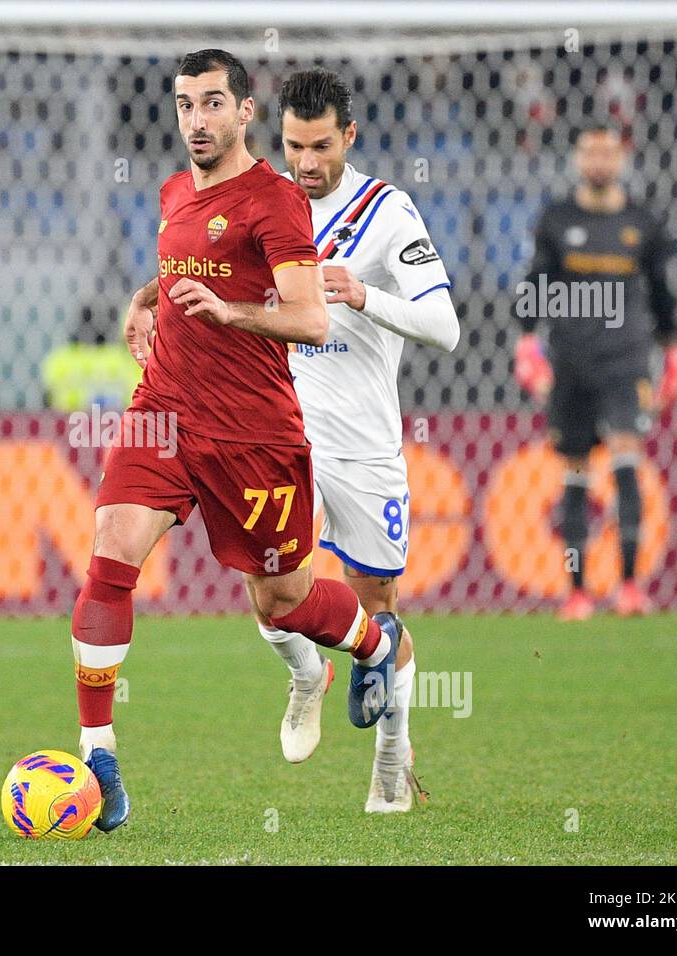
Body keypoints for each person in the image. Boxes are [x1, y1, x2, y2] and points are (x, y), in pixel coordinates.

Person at [75, 50, 401, 833]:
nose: (196, 120)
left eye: (213, 103)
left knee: (282, 600)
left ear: (245, 111)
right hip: (165, 410)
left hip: (253, 431)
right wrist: (146, 296)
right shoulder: (174, 190)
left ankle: (373, 645)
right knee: (110, 550)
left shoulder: (278, 202)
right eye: (185, 104)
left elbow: (309, 318)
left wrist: (230, 313)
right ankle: (98, 756)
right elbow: (188, 259)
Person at [261, 68, 458, 812]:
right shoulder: (266, 203)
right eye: (292, 147)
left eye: (319, 147)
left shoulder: (386, 213)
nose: (306, 164)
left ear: (349, 135)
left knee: (379, 612)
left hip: (364, 443)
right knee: (271, 588)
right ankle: (308, 673)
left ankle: (391, 759)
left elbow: (446, 327)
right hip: (282, 433)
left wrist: (362, 293)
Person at [514, 125, 677, 620]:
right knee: (575, 472)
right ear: (577, 157)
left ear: (622, 158)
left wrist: (672, 351)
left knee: (628, 460)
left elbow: (661, 293)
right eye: (590, 150)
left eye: (608, 151)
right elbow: (535, 284)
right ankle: (578, 592)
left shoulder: (643, 224)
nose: (600, 160)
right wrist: (527, 343)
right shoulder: (556, 220)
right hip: (570, 361)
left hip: (626, 360)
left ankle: (630, 587)